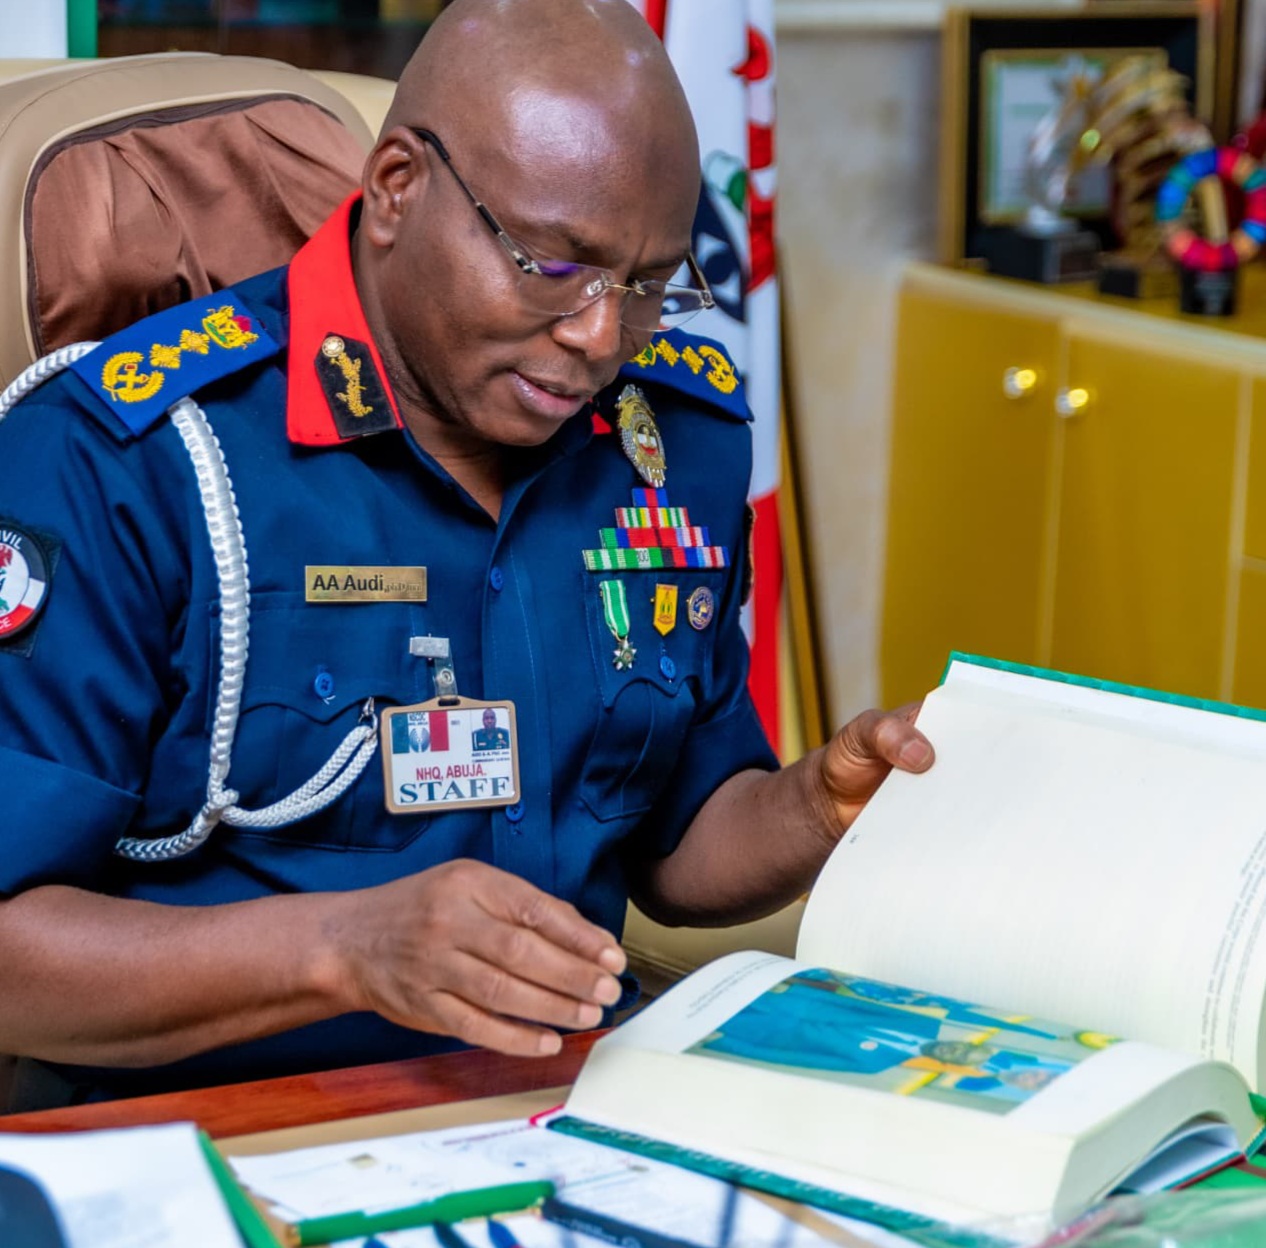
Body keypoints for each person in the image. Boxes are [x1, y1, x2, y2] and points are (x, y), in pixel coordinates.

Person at [0, 0, 933, 1106]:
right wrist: (344, 947)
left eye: (647, 285)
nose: (599, 335)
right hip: (212, 1137)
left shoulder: (671, 442)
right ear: (396, 186)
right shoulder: (126, 459)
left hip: (574, 1115)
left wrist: (814, 807)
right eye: (552, 264)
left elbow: (674, 850)